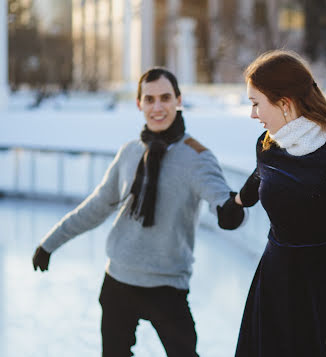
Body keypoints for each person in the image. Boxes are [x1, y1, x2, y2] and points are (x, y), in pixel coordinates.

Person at [32, 67, 245, 357]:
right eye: (150, 99)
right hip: (118, 281)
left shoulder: (197, 157)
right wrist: (49, 243)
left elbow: (223, 202)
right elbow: (96, 207)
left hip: (167, 286)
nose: (157, 107)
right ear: (139, 104)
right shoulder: (130, 152)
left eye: (165, 98)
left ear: (178, 100)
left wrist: (233, 209)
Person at [233, 50, 326, 357]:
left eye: (256, 103)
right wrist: (235, 203)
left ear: (284, 103)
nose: (253, 114)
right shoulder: (268, 146)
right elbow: (260, 177)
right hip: (275, 283)